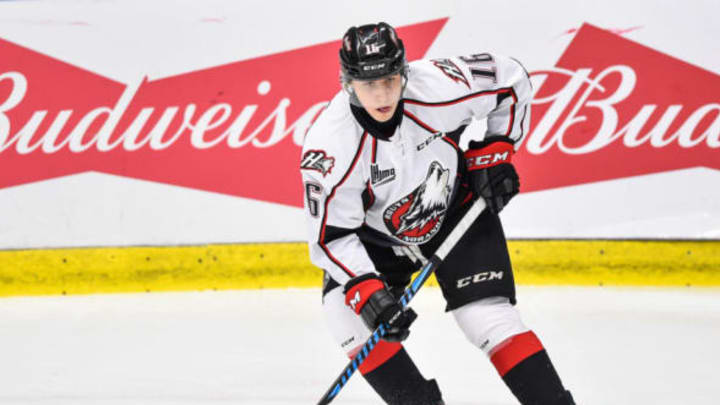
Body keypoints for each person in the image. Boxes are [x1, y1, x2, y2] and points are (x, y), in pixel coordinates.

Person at [300, 22, 575, 405]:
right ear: (348, 84)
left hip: (454, 212)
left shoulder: (438, 87)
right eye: (369, 84)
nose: (382, 94)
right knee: (346, 319)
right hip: (376, 239)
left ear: (405, 72)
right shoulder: (330, 148)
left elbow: (510, 80)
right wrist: (370, 293)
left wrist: (494, 150)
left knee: (488, 319)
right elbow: (332, 237)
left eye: (391, 80)